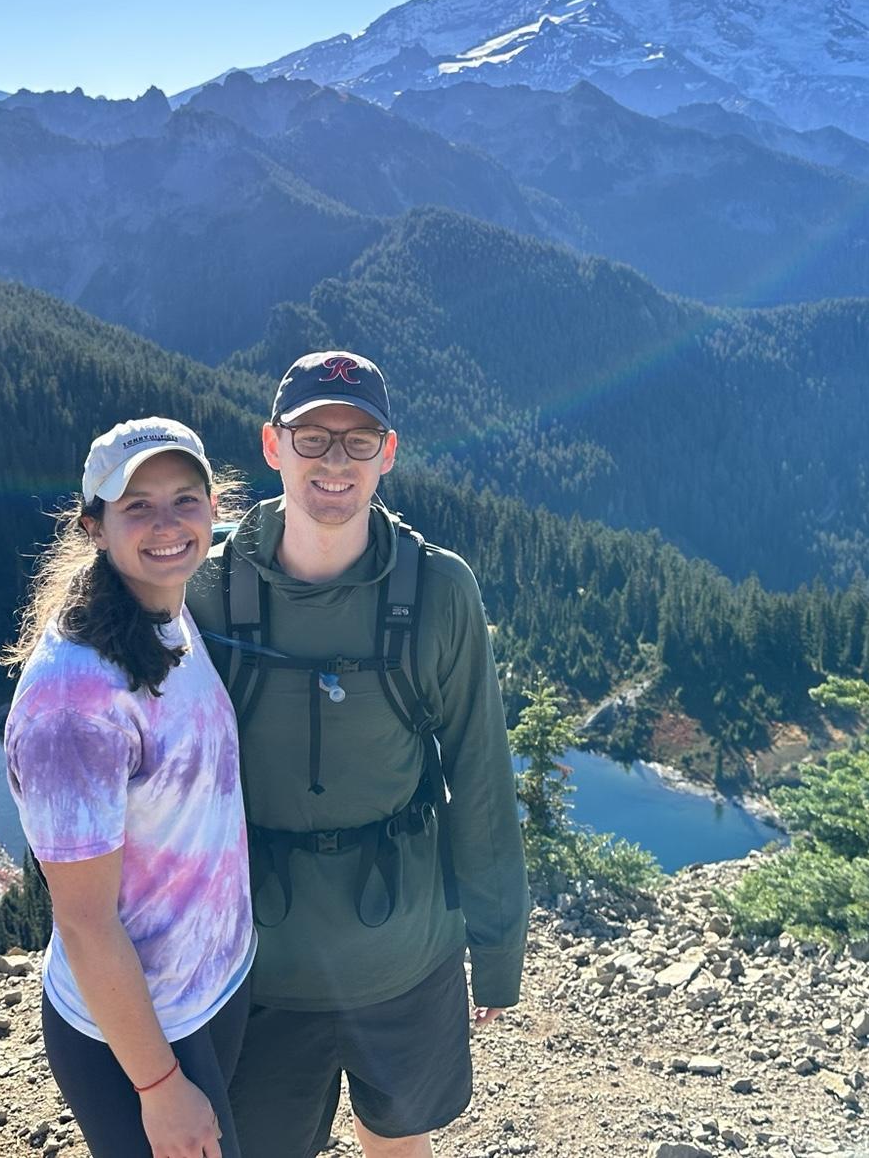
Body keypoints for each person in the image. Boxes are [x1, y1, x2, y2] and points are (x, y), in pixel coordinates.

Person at [186, 350, 529, 1158]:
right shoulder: (201, 589)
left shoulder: (442, 590)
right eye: (312, 438)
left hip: (407, 956)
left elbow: (479, 772)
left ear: (389, 452)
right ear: (272, 446)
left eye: (358, 439)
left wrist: (497, 948)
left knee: (399, 1142)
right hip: (254, 971)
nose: (334, 462)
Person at [3, 418, 256, 1158]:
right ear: (93, 525)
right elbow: (84, 923)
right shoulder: (73, 701)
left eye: (186, 499)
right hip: (141, 1036)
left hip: (208, 988)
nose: (168, 525)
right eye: (137, 506)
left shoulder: (161, 607)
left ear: (215, 505)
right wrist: (158, 1087)